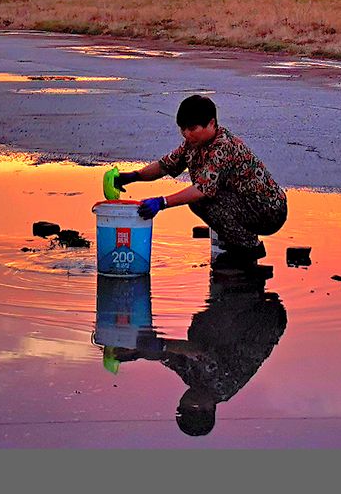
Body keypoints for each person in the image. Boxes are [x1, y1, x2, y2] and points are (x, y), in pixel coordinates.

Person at [112, 265, 287, 437]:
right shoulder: (222, 384)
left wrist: (136, 353)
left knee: (198, 332)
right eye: (194, 407)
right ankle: (242, 287)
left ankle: (235, 283)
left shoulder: (196, 383)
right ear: (210, 408)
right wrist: (158, 344)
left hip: (242, 317)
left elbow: (170, 357)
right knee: (201, 334)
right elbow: (198, 351)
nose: (189, 401)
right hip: (263, 316)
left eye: (183, 407)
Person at [115, 94, 287, 264]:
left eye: (192, 128)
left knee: (202, 200)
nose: (186, 134)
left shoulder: (223, 147)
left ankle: (249, 249)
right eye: (182, 129)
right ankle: (238, 242)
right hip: (243, 204)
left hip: (268, 211)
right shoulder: (193, 144)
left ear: (211, 123)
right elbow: (164, 165)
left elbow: (201, 190)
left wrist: (162, 203)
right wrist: (133, 176)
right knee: (203, 199)